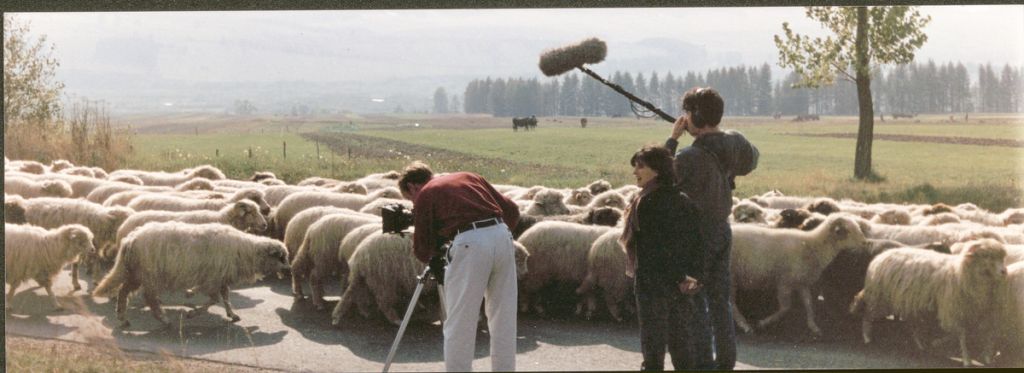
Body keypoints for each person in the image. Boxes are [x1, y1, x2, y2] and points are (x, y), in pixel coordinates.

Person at [664, 87, 759, 370]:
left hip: (696, 238)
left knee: (694, 299)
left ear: (694, 114)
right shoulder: (735, 143)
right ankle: (726, 360)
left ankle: (703, 363)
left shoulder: (688, 156)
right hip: (722, 231)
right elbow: (752, 158)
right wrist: (719, 137)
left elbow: (662, 178)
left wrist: (672, 139)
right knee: (720, 300)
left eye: (688, 112)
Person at [398, 161, 521, 372]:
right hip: (502, 236)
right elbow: (511, 210)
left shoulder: (427, 193)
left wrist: (439, 252)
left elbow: (422, 248)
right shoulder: (469, 176)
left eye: (411, 200)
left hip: (469, 243)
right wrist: (493, 235)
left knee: (460, 322)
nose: (414, 205)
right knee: (503, 316)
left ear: (412, 187)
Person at [621, 145, 709, 371]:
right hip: (681, 284)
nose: (635, 172)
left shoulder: (646, 202)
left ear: (657, 170)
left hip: (653, 283)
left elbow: (655, 248)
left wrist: (680, 277)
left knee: (653, 348)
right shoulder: (683, 199)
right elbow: (699, 242)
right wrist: (694, 277)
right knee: (681, 344)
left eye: (640, 167)